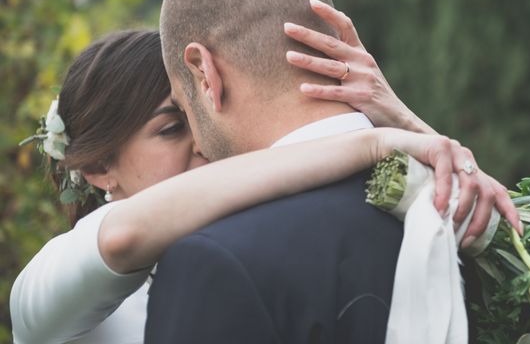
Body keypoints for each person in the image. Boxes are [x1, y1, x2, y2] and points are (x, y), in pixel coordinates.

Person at [10, 23, 497, 342]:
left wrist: (408, 125)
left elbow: (496, 237)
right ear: (98, 170)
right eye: (171, 128)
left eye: (198, 117)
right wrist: (368, 143)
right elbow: (123, 235)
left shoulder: (251, 244)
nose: (201, 142)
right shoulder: (42, 289)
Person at [145, 0, 519, 343]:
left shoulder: (214, 261)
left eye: (184, 111)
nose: (196, 146)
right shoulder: (484, 221)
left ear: (204, 73)